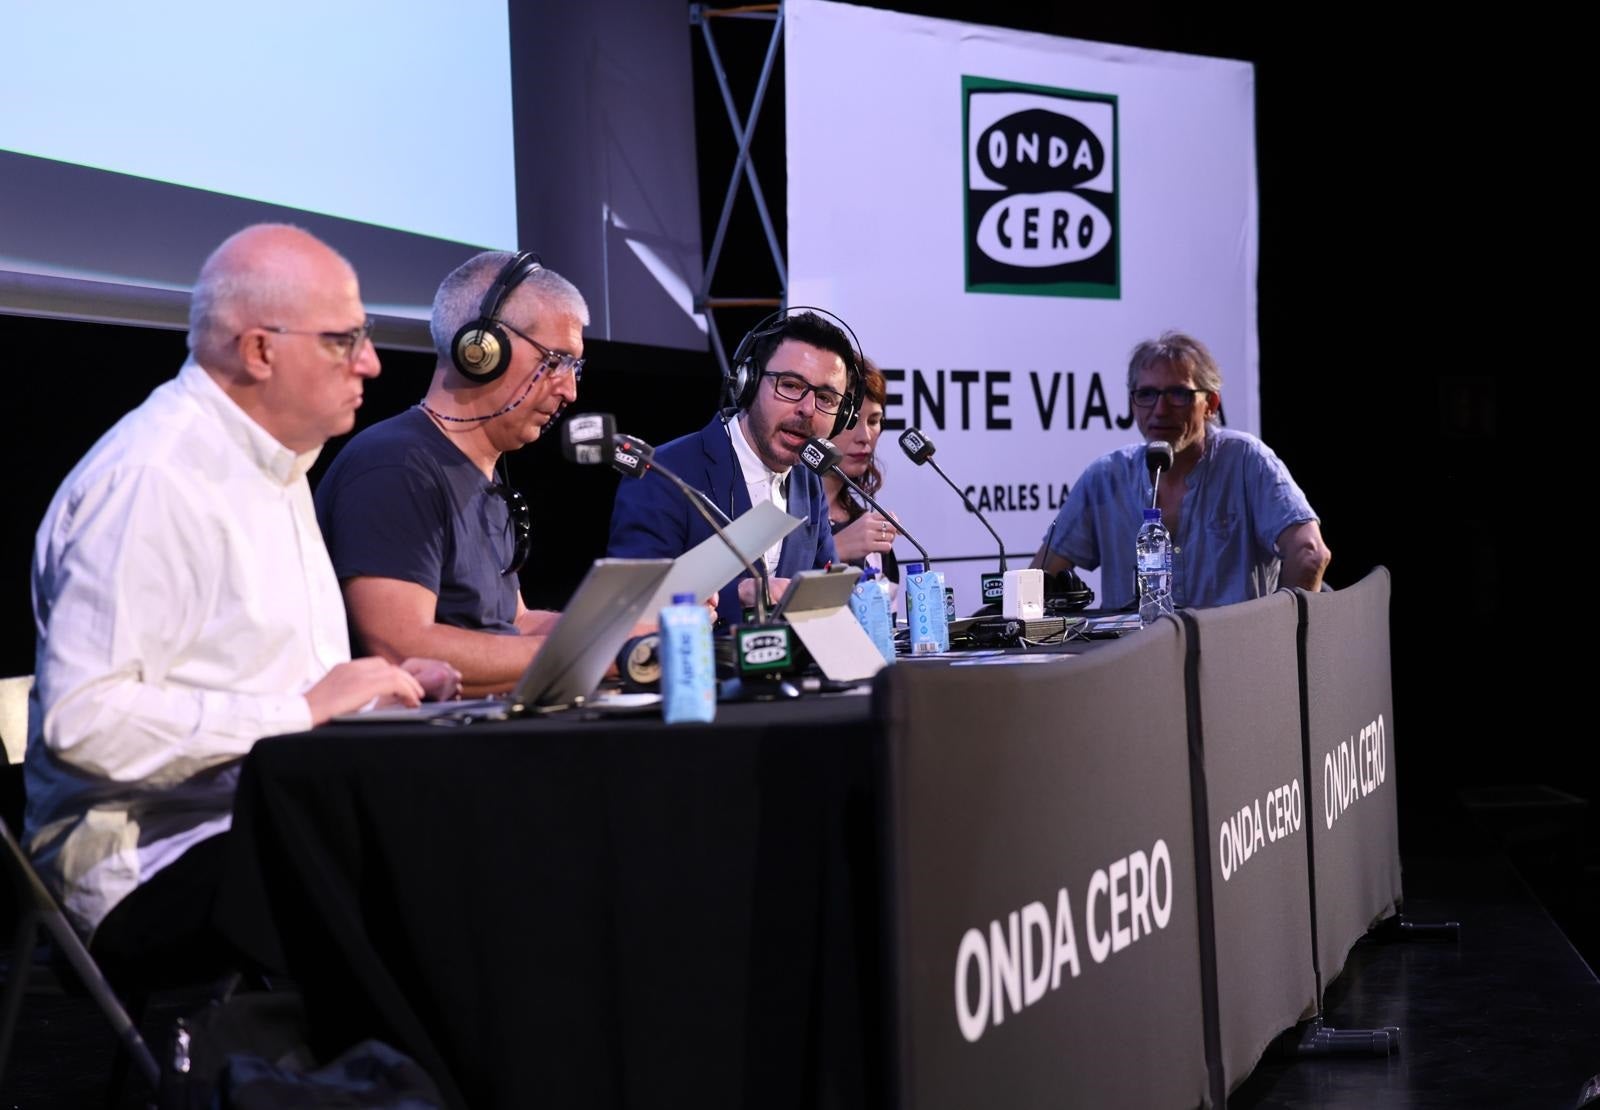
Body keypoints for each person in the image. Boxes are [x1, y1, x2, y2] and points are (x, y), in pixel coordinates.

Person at [24, 224, 455, 981]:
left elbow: (265, 688)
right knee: (432, 892)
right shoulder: (153, 481)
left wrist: (378, 701)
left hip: (262, 818)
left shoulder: (275, 469)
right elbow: (81, 724)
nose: (372, 362)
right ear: (259, 351)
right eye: (344, 339)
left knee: (466, 840)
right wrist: (307, 710)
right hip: (147, 862)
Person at [314, 252, 589, 696]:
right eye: (556, 360)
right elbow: (402, 646)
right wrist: (593, 650)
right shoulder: (395, 467)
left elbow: (514, 623)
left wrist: (629, 630)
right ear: (481, 349)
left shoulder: (485, 475)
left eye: (575, 367)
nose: (570, 390)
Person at [1031, 330, 1330, 609]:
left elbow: (1309, 553)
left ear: (1210, 403)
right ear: (1133, 404)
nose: (1160, 410)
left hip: (1234, 657)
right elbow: (1041, 578)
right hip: (1133, 661)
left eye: (1178, 394)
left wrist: (1280, 640)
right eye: (1147, 394)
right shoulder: (1106, 477)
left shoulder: (1245, 461)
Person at [608, 310, 852, 626]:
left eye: (826, 398)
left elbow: (820, 591)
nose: (807, 409)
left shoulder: (808, 480)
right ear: (747, 383)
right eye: (790, 385)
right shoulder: (664, 474)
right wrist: (737, 597)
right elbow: (629, 609)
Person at [822, 357, 899, 585]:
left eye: (874, 421)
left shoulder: (868, 527)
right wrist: (836, 549)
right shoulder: (779, 510)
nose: (865, 438)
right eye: (851, 422)